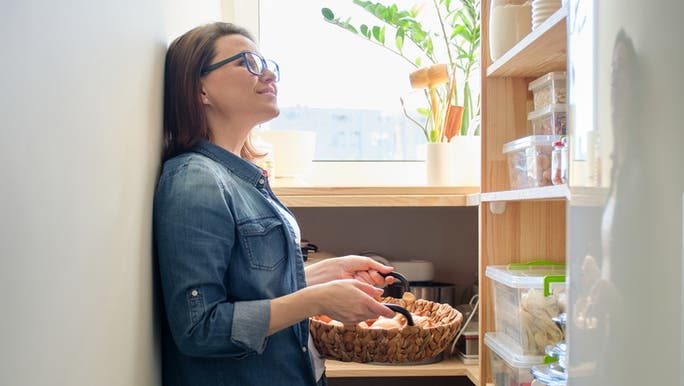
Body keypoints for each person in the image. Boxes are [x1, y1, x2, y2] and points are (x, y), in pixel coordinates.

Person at [153, 22, 397, 386]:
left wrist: (326, 274)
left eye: (267, 63)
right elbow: (199, 328)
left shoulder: (241, 176)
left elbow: (250, 287)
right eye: (247, 62)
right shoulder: (195, 181)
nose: (267, 73)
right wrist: (317, 300)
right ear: (200, 88)